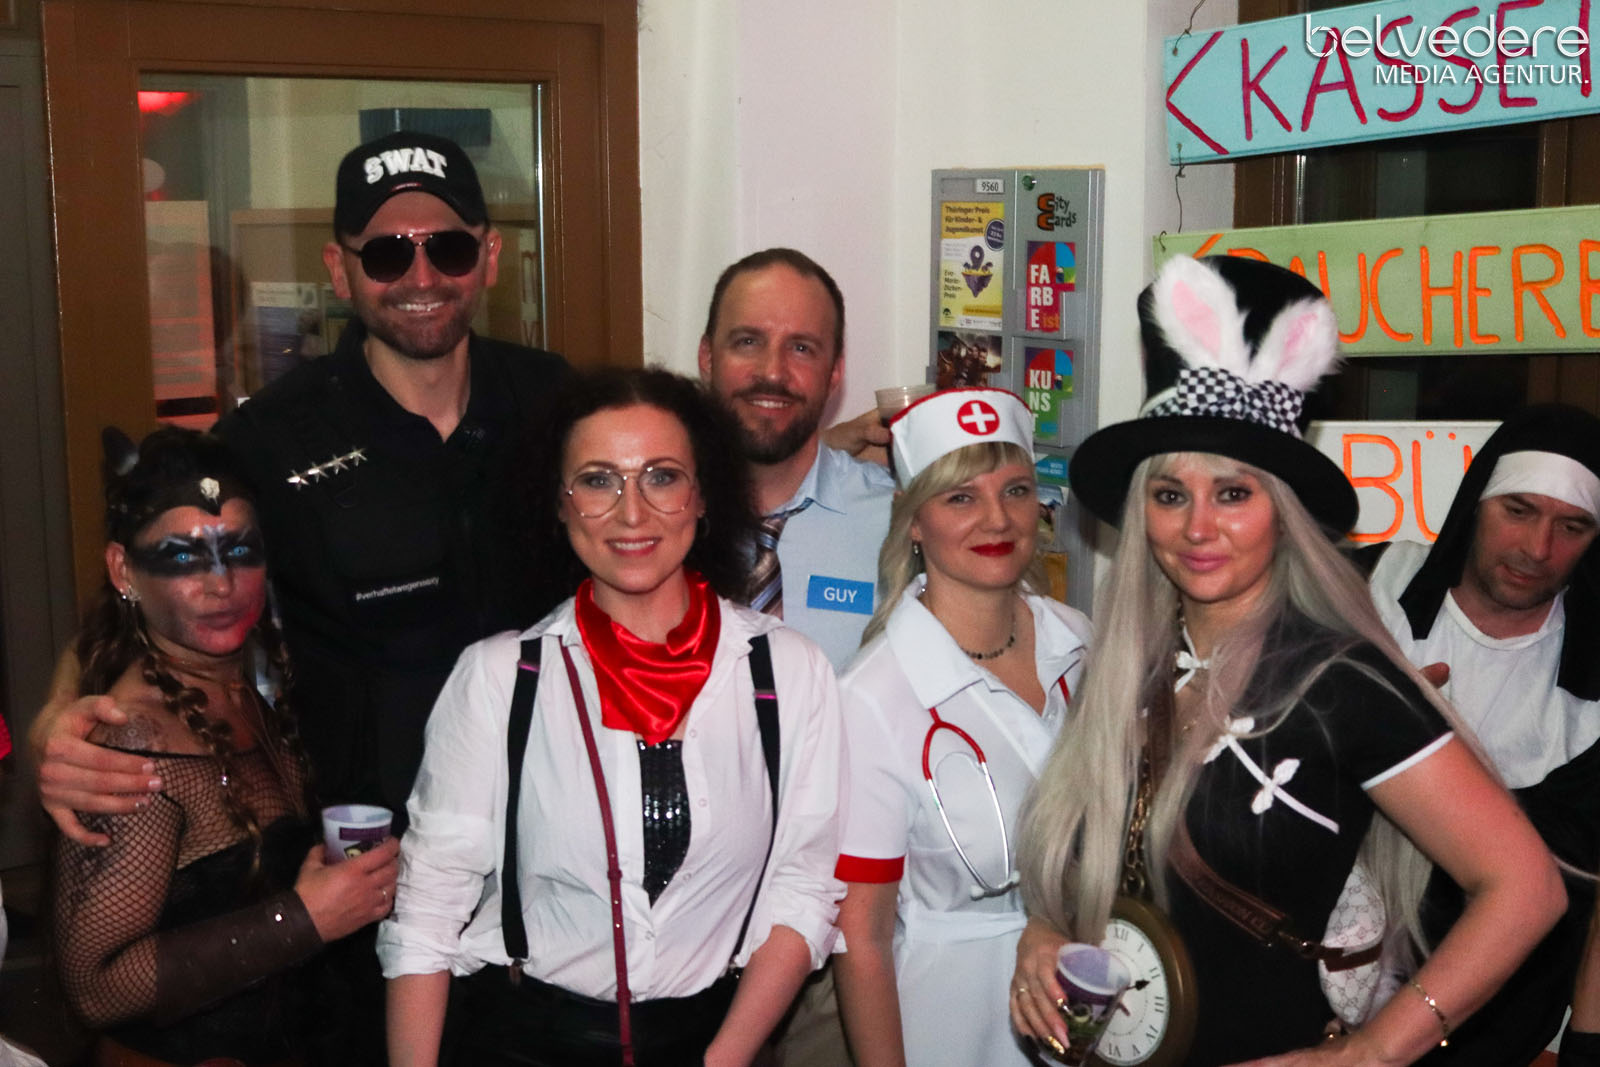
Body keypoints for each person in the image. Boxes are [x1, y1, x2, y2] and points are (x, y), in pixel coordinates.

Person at [1010, 255, 1564, 1066]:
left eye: (1234, 493)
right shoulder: (1129, 666)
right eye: (1171, 495)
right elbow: (1103, 864)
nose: (1198, 527)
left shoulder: (1339, 682)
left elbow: (1527, 887)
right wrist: (1044, 929)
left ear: (1285, 510)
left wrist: (1374, 1051)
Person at [34, 129, 570, 843]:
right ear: (339, 271)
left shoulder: (557, 401)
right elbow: (145, 587)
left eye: (449, 248)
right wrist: (55, 719)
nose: (421, 277)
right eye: (386, 253)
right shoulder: (270, 437)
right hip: (377, 843)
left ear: (489, 256)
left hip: (556, 816)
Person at [378, 367, 845, 1066]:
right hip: (528, 1045)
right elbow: (426, 914)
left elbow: (803, 890)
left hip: (720, 1040)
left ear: (703, 495)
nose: (633, 513)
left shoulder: (789, 671)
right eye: (598, 480)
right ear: (559, 505)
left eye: (662, 477)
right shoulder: (500, 677)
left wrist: (723, 1058)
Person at [52, 427, 397, 1067]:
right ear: (124, 570)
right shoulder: (136, 740)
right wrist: (302, 917)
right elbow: (96, 987)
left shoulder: (251, 692)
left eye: (240, 550)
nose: (222, 584)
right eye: (183, 557)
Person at [831, 388, 1090, 1066]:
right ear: (913, 521)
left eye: (1016, 490)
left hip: (1093, 996)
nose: (996, 518)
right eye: (960, 497)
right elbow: (862, 937)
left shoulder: (1082, 644)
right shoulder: (872, 696)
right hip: (951, 1017)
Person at [1362, 404, 1600, 1066]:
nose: (1537, 548)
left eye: (1572, 526)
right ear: (1476, 503)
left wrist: (1579, 1046)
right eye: (1518, 510)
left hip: (1499, 1040)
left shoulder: (1591, 684)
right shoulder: (1366, 593)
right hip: (1326, 1009)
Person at [699, 247, 895, 671]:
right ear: (708, 358)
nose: (773, 372)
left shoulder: (899, 522)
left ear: (835, 371)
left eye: (802, 348)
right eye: (748, 342)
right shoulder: (651, 521)